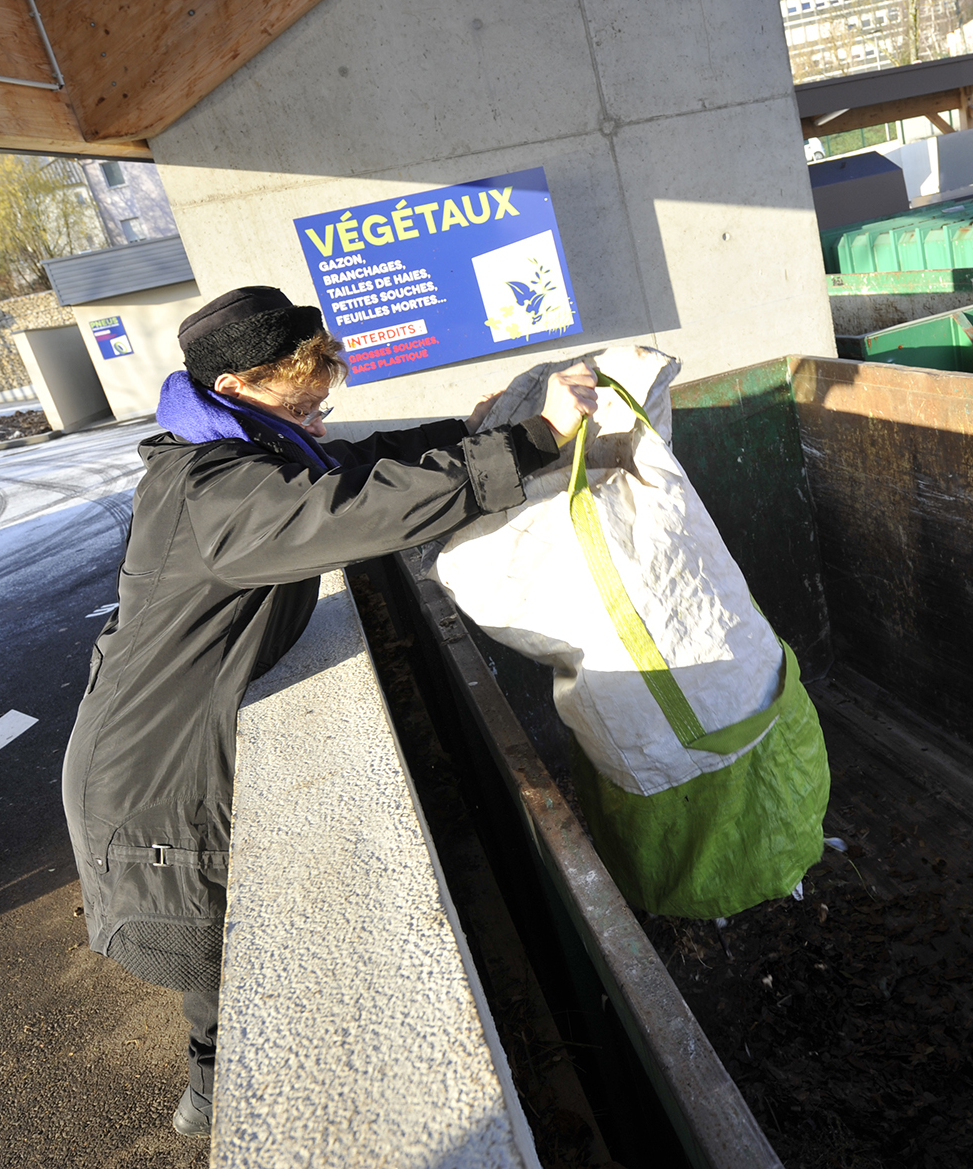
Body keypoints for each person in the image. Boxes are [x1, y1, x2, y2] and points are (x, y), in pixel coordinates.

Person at [60, 286, 596, 1137]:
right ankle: (238, 1115)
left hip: (163, 757)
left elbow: (356, 463)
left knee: (226, 972)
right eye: (300, 384)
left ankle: (214, 1099)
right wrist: (530, 444)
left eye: (323, 378)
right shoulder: (216, 489)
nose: (319, 399)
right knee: (231, 969)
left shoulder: (242, 445)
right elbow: (346, 511)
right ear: (236, 385)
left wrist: (471, 432)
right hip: (155, 785)